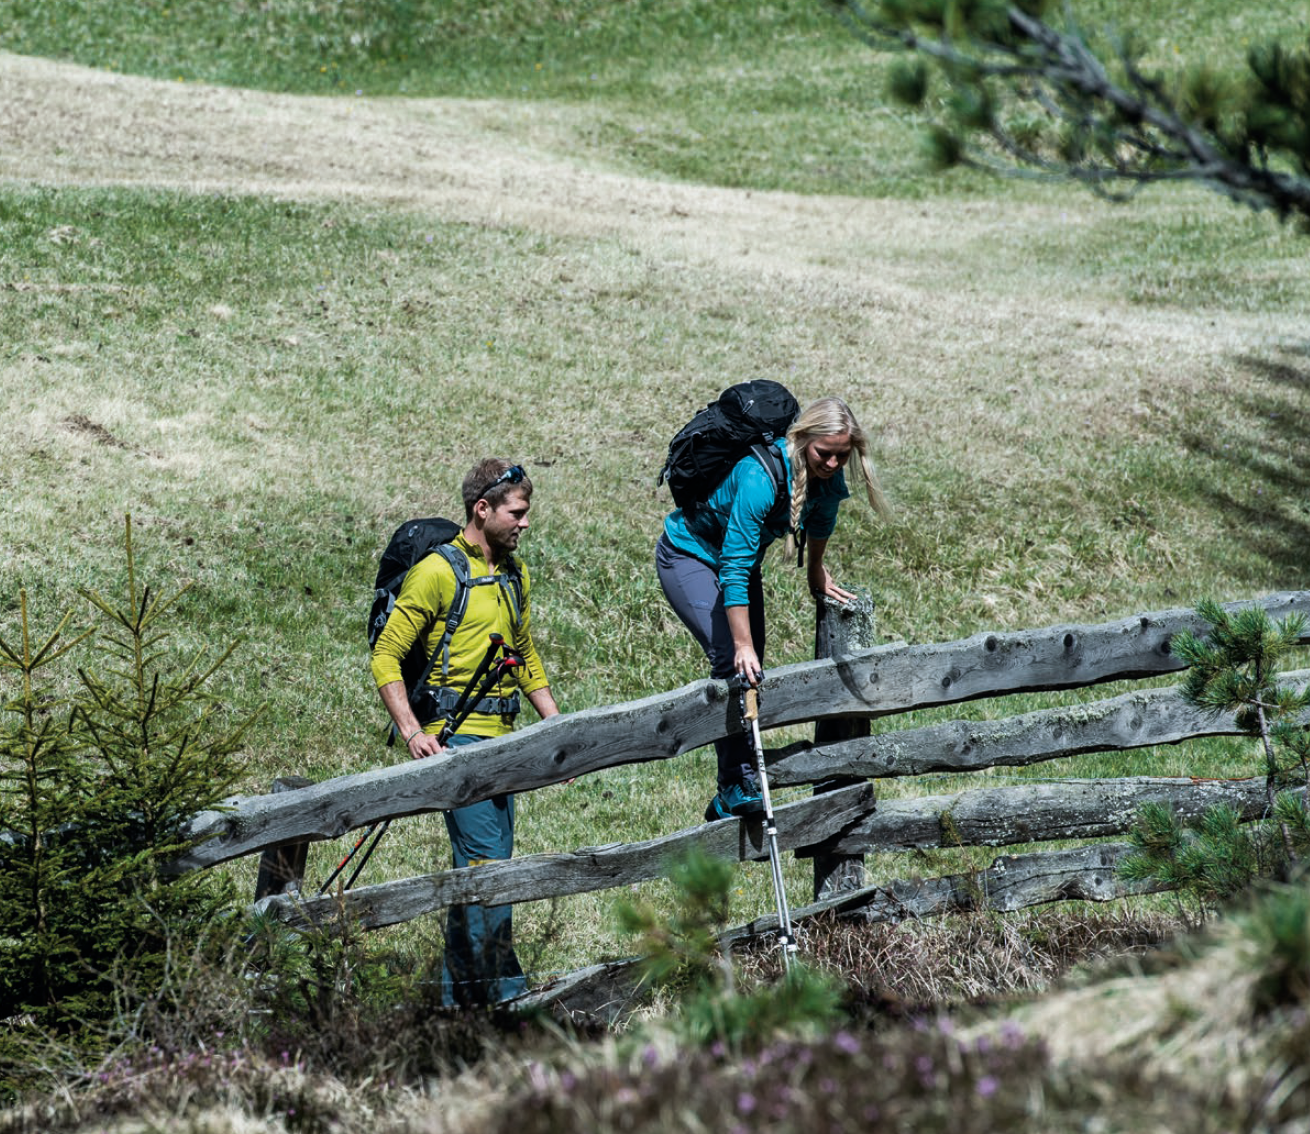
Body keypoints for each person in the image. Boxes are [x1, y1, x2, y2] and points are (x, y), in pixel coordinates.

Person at [371, 458, 559, 1007]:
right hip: (459, 744)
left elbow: (522, 653)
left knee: (478, 875)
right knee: (490, 873)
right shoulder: (437, 572)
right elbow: (386, 654)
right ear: (483, 509)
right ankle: (506, 1003)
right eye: (517, 513)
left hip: (505, 743)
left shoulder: (511, 573)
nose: (525, 523)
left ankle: (454, 1003)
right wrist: (412, 732)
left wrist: (558, 730)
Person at [656, 396, 891, 821]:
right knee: (733, 659)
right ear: (802, 440)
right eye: (825, 453)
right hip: (688, 556)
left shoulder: (826, 475)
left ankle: (735, 784)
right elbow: (733, 565)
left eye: (843, 455)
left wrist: (815, 572)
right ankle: (735, 785)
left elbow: (821, 521)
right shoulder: (758, 478)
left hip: (737, 567)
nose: (834, 464)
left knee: (751, 669)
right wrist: (742, 644)